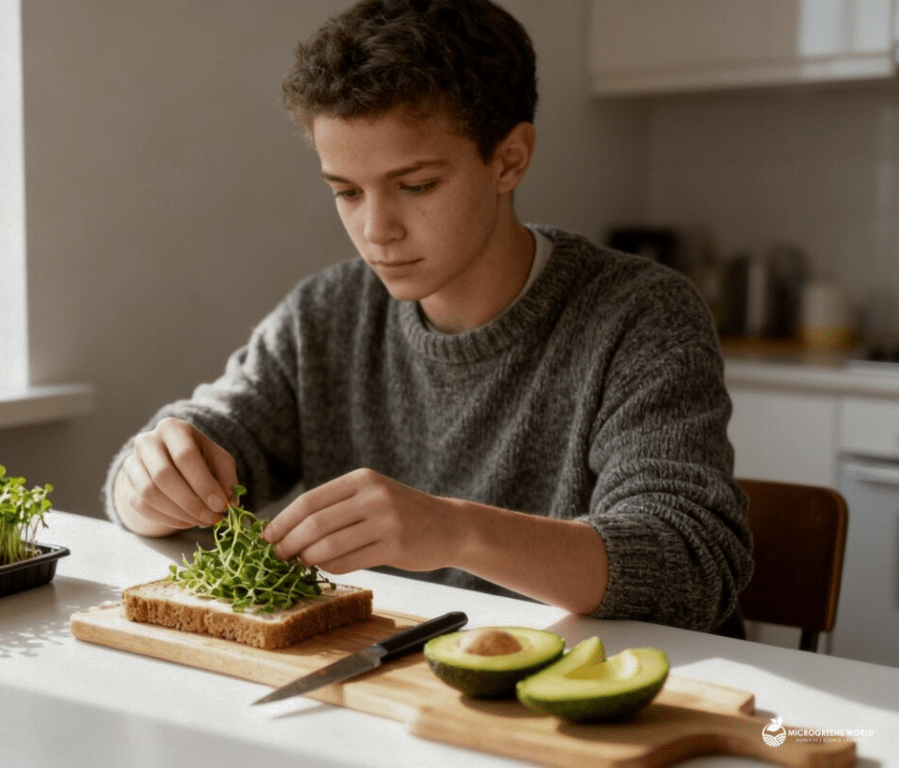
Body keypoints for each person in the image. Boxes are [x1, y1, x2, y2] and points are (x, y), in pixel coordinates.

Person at [103, 0, 753, 635]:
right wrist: (151, 479)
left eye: (415, 186)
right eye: (347, 193)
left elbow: (691, 563)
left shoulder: (641, 315)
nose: (375, 230)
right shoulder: (326, 314)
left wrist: (455, 531)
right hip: (404, 700)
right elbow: (195, 443)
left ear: (509, 158)